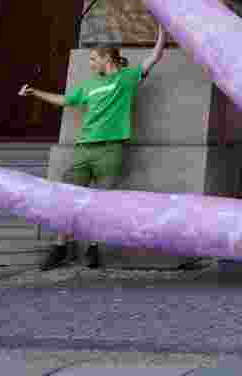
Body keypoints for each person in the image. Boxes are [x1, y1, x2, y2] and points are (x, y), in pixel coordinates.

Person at [20, 25, 167, 270]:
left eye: (93, 59)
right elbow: (65, 101)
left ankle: (93, 248)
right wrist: (35, 93)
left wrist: (163, 31)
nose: (90, 63)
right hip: (84, 148)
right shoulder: (88, 85)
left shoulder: (127, 78)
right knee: (67, 198)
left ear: (106, 58)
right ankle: (60, 246)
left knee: (101, 203)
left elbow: (155, 56)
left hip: (110, 150)